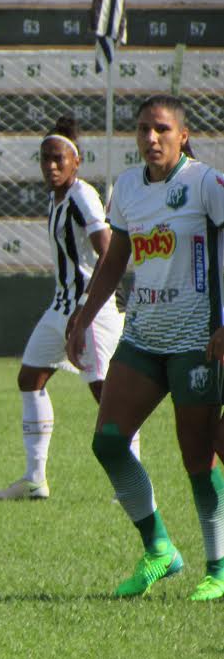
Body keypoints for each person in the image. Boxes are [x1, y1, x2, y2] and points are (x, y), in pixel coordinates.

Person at [67, 94, 224, 601]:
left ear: (183, 135)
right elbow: (116, 257)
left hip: (196, 341)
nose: (150, 139)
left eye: (161, 129)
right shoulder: (128, 188)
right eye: (142, 130)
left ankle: (218, 568)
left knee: (198, 456)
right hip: (143, 335)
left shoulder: (205, 183)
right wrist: (84, 316)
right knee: (108, 442)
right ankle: (159, 549)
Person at [0, 115, 133, 501]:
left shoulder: (82, 195)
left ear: (76, 161)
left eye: (58, 159)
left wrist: (86, 304)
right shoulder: (55, 200)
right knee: (30, 378)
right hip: (61, 307)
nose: (51, 166)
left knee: (105, 393)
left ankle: (130, 480)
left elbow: (109, 250)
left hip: (93, 308)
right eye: (45, 159)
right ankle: (35, 479)